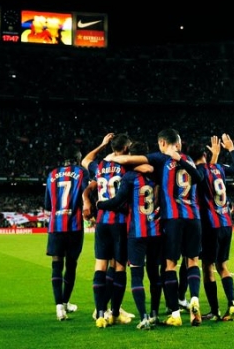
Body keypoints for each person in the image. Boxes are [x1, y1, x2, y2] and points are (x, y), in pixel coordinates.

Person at [105, 128, 204, 327]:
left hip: (172, 218)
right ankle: (194, 298)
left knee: (169, 265)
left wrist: (112, 158)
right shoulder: (189, 160)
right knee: (192, 261)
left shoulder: (161, 158)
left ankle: (175, 313)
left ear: (162, 143)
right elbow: (199, 178)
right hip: (194, 217)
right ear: (178, 143)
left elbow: (129, 160)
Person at [96, 141, 164, 330]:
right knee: (154, 274)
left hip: (136, 233)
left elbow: (117, 200)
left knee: (136, 275)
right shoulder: (156, 174)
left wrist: (100, 205)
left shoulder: (129, 177)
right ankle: (155, 314)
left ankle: (144, 317)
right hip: (155, 231)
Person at [188, 133, 234, 322]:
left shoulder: (197, 172)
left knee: (207, 266)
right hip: (226, 223)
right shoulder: (219, 167)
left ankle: (214, 310)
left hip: (210, 226)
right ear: (205, 154)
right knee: (223, 266)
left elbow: (201, 177)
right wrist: (230, 149)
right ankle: (232, 303)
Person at [82, 132, 133, 328]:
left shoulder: (100, 166)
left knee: (100, 266)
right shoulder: (127, 165)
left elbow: (86, 160)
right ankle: (115, 312)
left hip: (101, 222)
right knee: (119, 267)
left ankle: (100, 313)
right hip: (120, 222)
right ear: (126, 148)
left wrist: (102, 144)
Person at [44, 143, 91, 321]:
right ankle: (65, 302)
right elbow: (86, 195)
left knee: (57, 265)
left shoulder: (52, 174)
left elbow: (48, 204)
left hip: (55, 226)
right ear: (78, 158)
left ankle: (59, 307)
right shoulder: (82, 172)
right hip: (74, 225)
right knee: (71, 265)